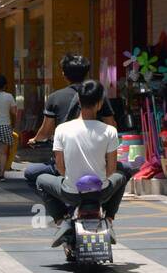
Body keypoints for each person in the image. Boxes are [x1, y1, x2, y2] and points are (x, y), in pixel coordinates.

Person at [34, 79, 126, 247]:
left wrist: (71, 178)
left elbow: (60, 168)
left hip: (71, 192)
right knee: (121, 177)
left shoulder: (62, 130)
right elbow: (112, 169)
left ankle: (62, 220)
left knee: (41, 180)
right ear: (99, 103)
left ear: (78, 101)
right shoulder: (110, 131)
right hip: (101, 192)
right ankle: (110, 219)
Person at [23, 54, 117, 194]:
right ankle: (109, 215)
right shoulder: (98, 98)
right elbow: (112, 124)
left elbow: (46, 131)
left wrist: (35, 140)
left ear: (64, 74)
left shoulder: (56, 100)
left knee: (31, 173)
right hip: (98, 168)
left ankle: (58, 208)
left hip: (68, 179)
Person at [0, 74, 18, 181]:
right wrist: (14, 124)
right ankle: (1, 174)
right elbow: (14, 112)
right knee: (3, 153)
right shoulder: (9, 96)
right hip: (5, 126)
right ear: (5, 85)